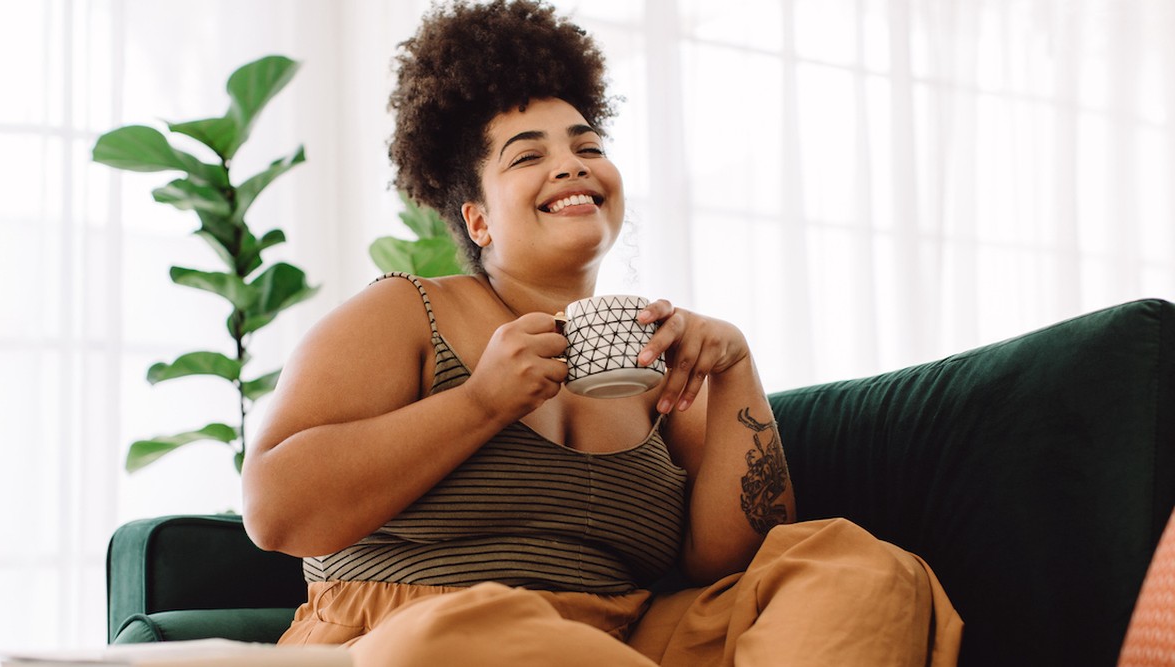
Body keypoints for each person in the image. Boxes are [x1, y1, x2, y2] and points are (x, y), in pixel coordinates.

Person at [241, 1, 962, 665]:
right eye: (527, 155)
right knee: (457, 633)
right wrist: (482, 402)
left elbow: (731, 557)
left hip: (624, 638)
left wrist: (734, 366)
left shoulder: (651, 351)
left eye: (585, 145)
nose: (570, 163)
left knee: (854, 566)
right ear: (478, 219)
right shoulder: (408, 312)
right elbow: (276, 511)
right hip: (421, 631)